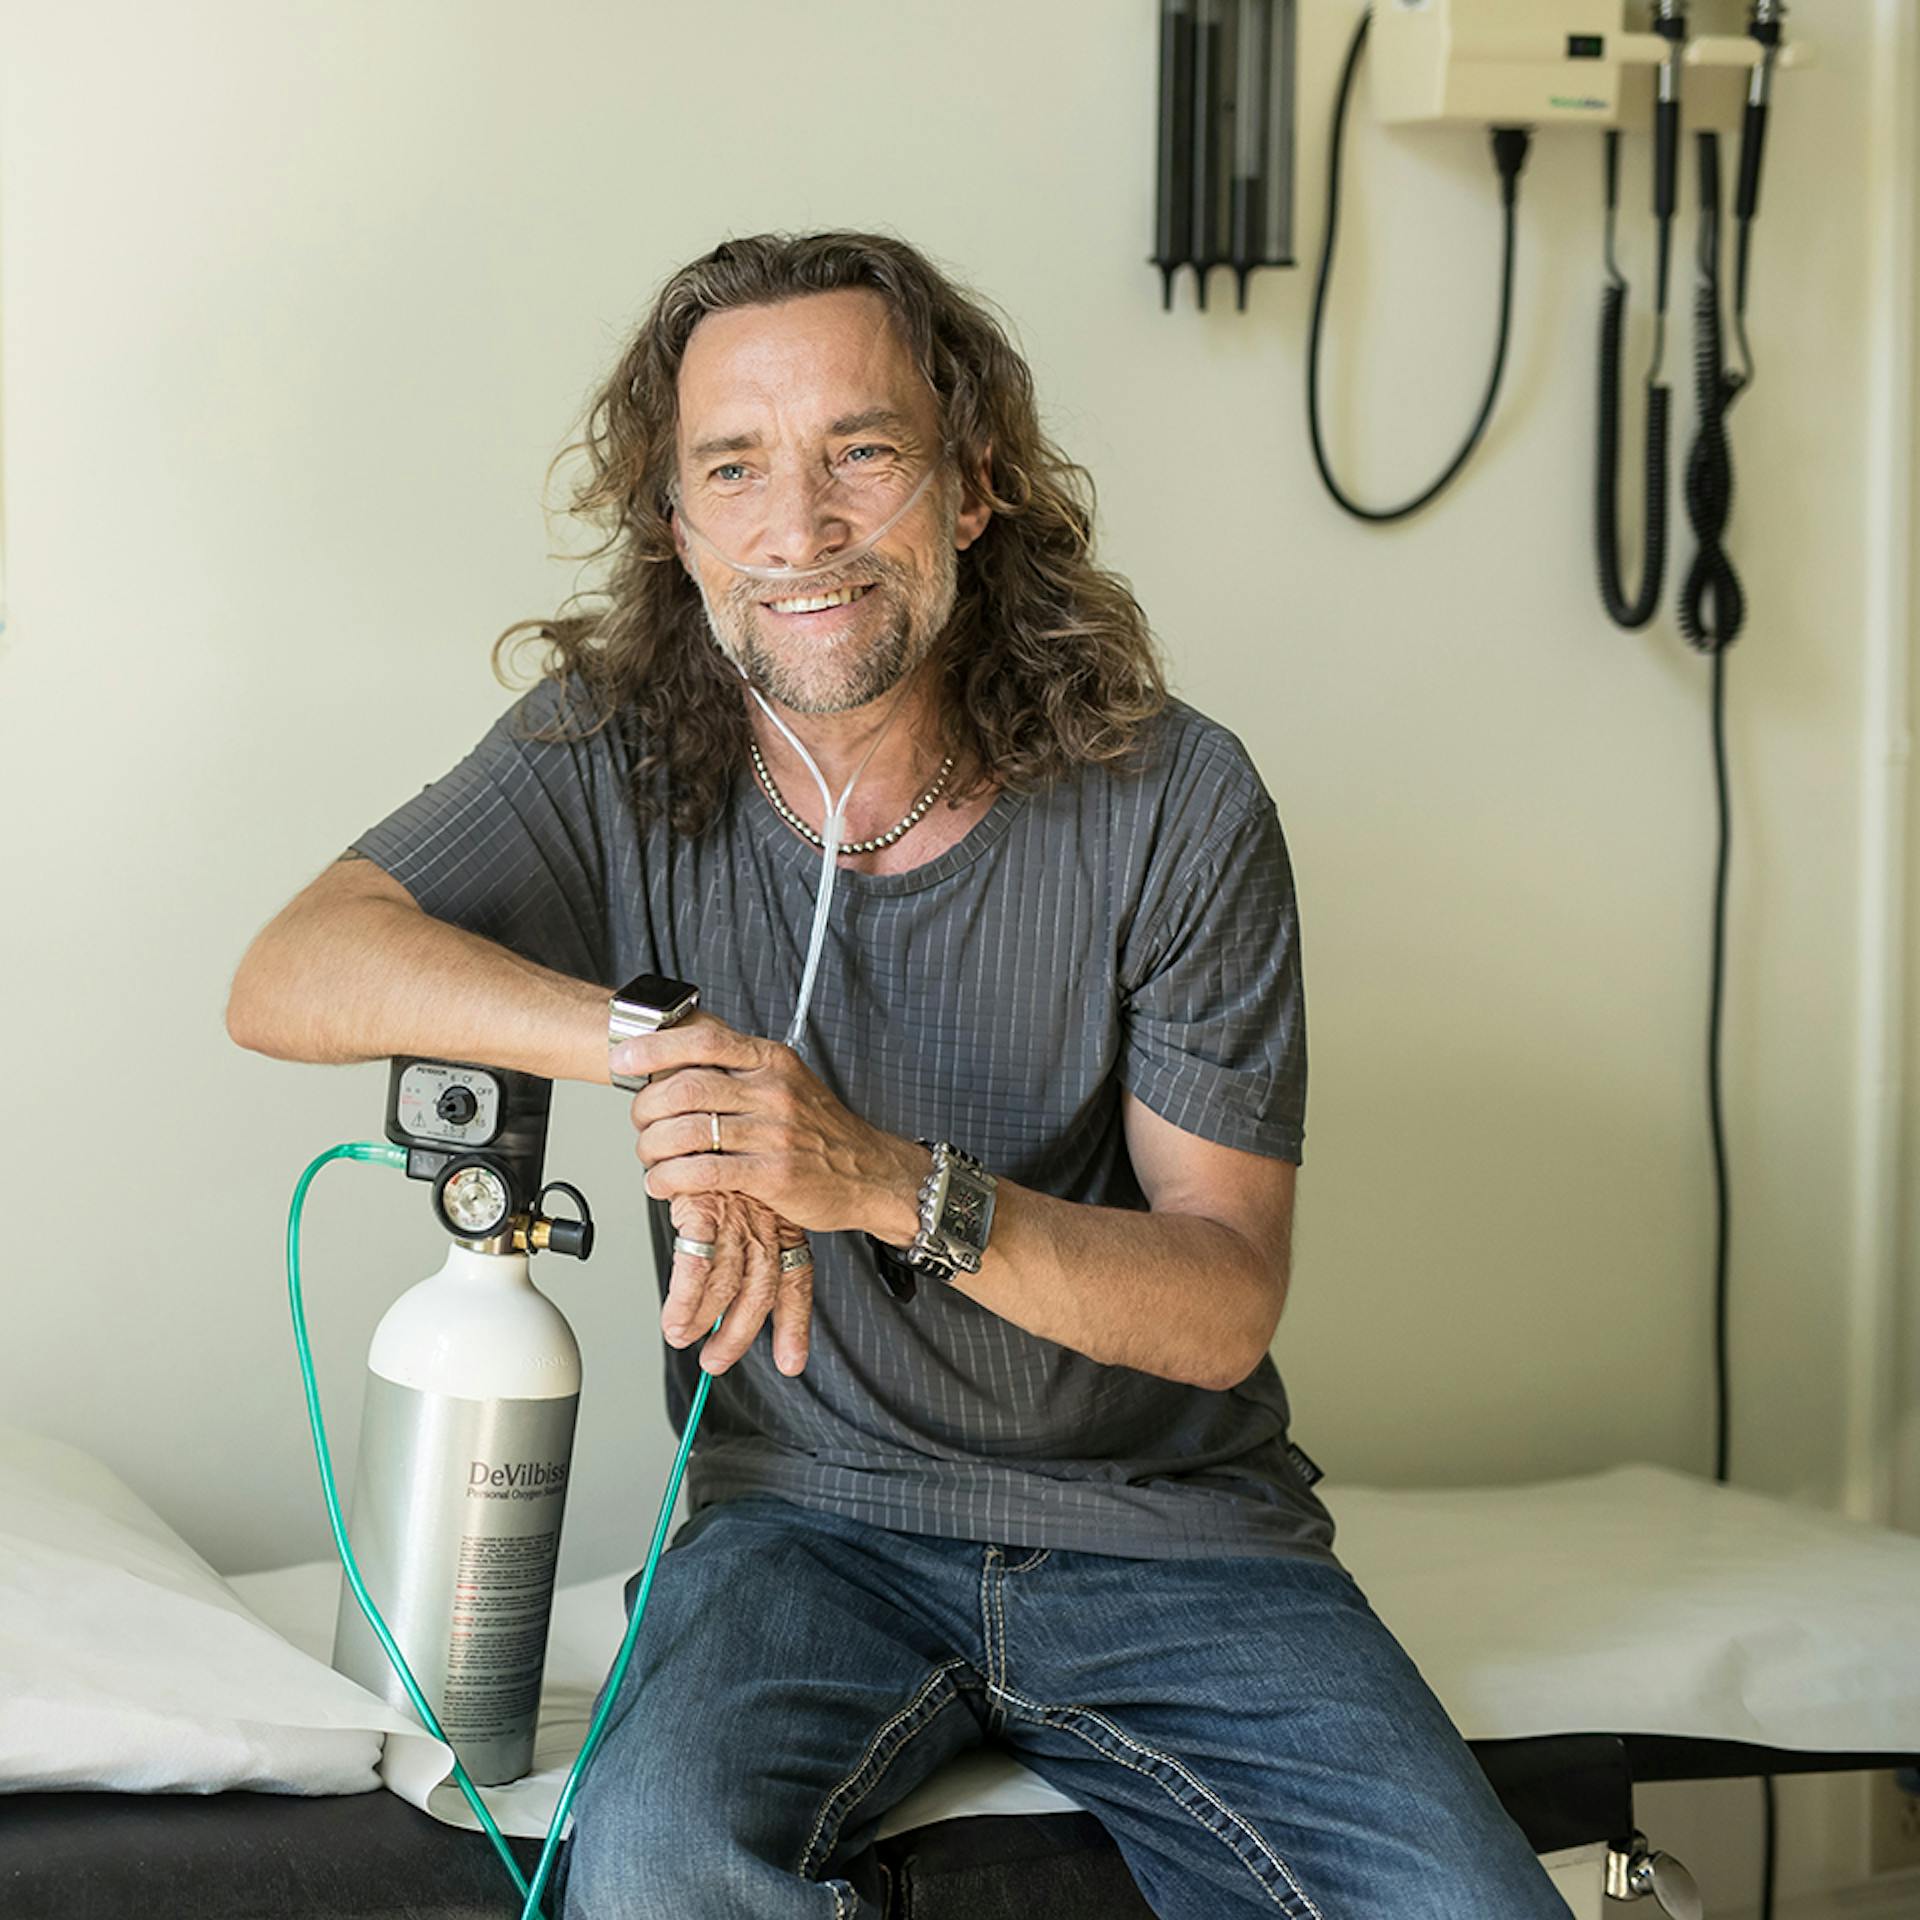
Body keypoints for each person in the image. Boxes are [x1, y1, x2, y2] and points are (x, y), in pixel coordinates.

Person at [227, 230, 1568, 1918]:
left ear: (975, 482)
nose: (801, 527)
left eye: (862, 450)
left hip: (1171, 1539)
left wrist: (871, 1178)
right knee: (645, 1869)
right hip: (805, 1528)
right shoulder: (615, 753)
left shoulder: (1175, 800)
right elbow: (292, 970)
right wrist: (678, 1061)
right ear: (677, 524)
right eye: (735, 468)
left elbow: (1225, 1302)